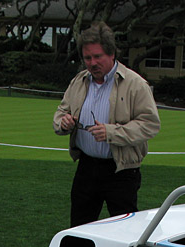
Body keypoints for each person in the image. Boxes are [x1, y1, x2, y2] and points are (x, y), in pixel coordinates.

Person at [53, 22, 161, 227]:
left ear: (112, 54)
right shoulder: (79, 81)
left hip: (121, 171)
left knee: (124, 232)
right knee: (79, 231)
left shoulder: (135, 84)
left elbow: (150, 125)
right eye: (87, 58)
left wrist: (111, 132)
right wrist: (63, 122)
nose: (92, 63)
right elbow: (61, 112)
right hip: (86, 168)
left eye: (97, 56)